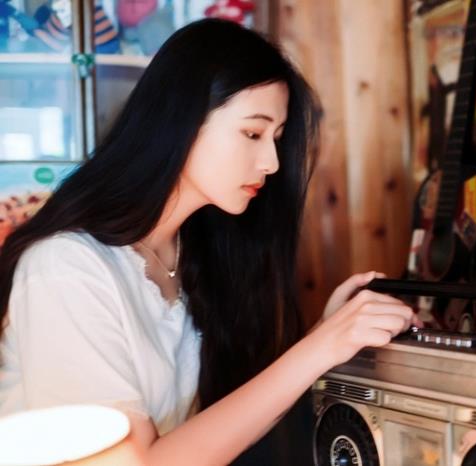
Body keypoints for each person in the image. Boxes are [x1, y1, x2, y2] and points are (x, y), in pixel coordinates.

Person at [0, 19, 421, 465]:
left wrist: (325, 336)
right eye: (253, 133)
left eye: (277, 139)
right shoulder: (65, 268)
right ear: (180, 121)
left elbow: (222, 427)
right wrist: (319, 348)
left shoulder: (194, 252)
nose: (272, 162)